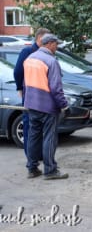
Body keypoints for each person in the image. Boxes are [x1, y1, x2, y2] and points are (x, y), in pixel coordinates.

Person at [24, 33, 70, 180]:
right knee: (50, 138)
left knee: (33, 136)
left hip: (31, 104)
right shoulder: (51, 61)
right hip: (47, 106)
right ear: (49, 43)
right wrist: (63, 105)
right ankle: (50, 170)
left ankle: (32, 168)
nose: (57, 46)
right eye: (56, 44)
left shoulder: (29, 59)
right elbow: (56, 88)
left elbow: (26, 83)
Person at [14, 27, 50, 156]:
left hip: (43, 94)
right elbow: (18, 71)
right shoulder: (28, 51)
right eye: (47, 39)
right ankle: (31, 156)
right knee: (29, 124)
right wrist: (20, 88)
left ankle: (38, 153)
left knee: (40, 125)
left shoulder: (45, 53)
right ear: (40, 38)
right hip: (30, 93)